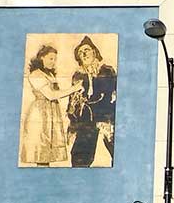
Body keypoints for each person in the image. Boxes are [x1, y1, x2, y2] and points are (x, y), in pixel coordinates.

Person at [20, 45, 82, 166]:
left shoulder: (49, 75)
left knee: (48, 152)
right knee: (42, 151)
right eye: (50, 58)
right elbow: (51, 95)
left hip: (52, 113)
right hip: (40, 115)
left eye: (55, 59)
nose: (53, 62)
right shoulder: (35, 74)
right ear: (41, 58)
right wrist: (74, 89)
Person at [68, 36, 117, 167]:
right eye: (80, 52)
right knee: (79, 158)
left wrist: (111, 119)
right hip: (86, 120)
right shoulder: (78, 75)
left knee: (117, 152)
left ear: (94, 52)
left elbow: (116, 95)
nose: (83, 54)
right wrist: (73, 119)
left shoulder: (107, 70)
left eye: (86, 50)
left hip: (106, 118)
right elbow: (72, 102)